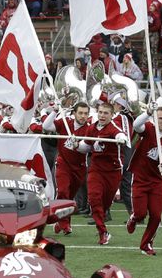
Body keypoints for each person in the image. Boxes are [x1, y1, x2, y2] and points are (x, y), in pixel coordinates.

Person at [126, 103, 162, 255]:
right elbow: (137, 125)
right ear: (155, 119)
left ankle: (146, 244)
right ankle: (134, 218)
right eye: (160, 118)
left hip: (157, 180)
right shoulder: (149, 128)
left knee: (156, 215)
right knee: (140, 213)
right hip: (140, 177)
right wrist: (148, 112)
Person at [78, 101, 129, 245]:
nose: (102, 115)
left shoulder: (113, 129)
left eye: (106, 113)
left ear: (111, 115)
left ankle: (102, 219)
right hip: (96, 169)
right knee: (94, 199)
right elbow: (85, 147)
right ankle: (102, 231)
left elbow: (121, 135)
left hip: (113, 171)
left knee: (105, 204)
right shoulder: (92, 128)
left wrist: (121, 139)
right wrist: (76, 144)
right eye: (100, 112)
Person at [42, 102, 90, 236]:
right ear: (74, 113)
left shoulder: (89, 129)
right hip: (63, 163)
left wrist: (77, 145)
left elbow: (87, 148)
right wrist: (55, 111)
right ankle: (65, 224)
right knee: (63, 192)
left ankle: (61, 222)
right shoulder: (65, 122)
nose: (83, 116)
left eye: (85, 113)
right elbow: (46, 126)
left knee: (69, 197)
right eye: (80, 113)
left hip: (79, 167)